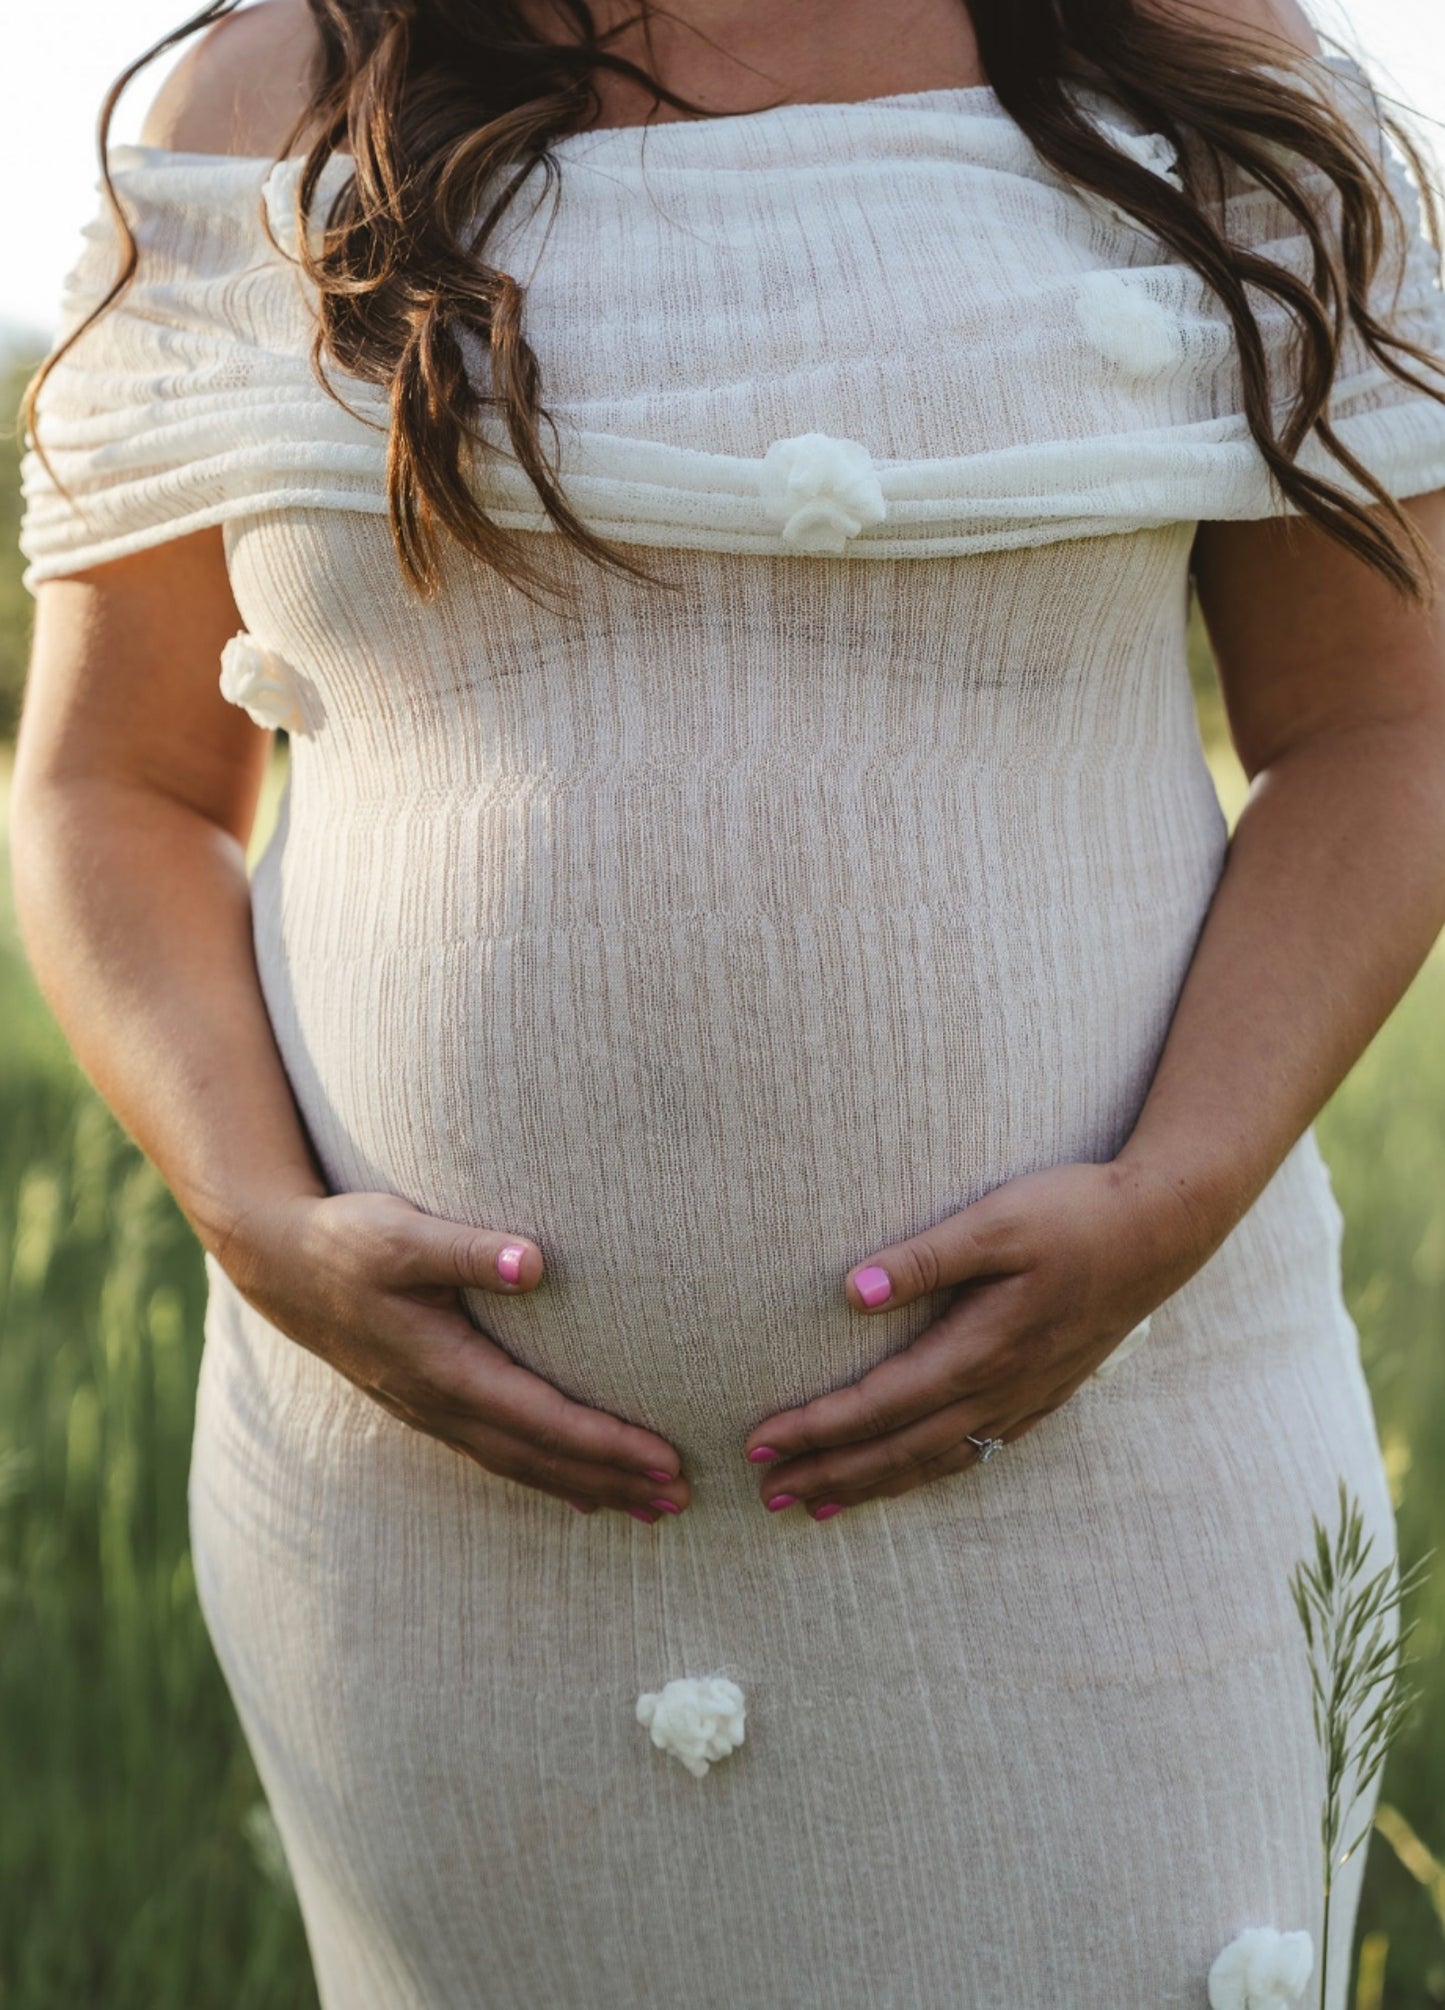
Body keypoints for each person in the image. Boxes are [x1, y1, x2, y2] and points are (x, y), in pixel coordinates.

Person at [12, 0, 1445, 2003]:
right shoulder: (267, 103)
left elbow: (1382, 730)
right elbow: (113, 782)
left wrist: (1185, 1188)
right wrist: (250, 1205)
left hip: (1112, 1481)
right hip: (427, 1542)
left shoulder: (1183, 63)